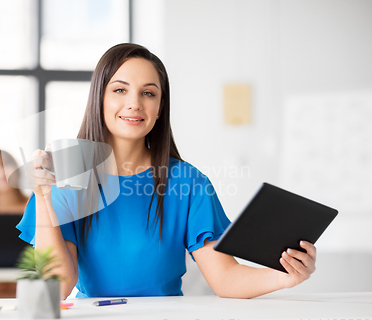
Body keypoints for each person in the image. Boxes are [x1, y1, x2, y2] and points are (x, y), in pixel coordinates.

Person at [16, 43, 317, 300]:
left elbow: (225, 278)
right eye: (120, 89)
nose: (134, 103)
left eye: (148, 93)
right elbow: (57, 287)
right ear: (99, 99)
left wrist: (285, 278)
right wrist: (43, 197)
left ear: (160, 108)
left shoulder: (188, 183)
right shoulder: (66, 178)